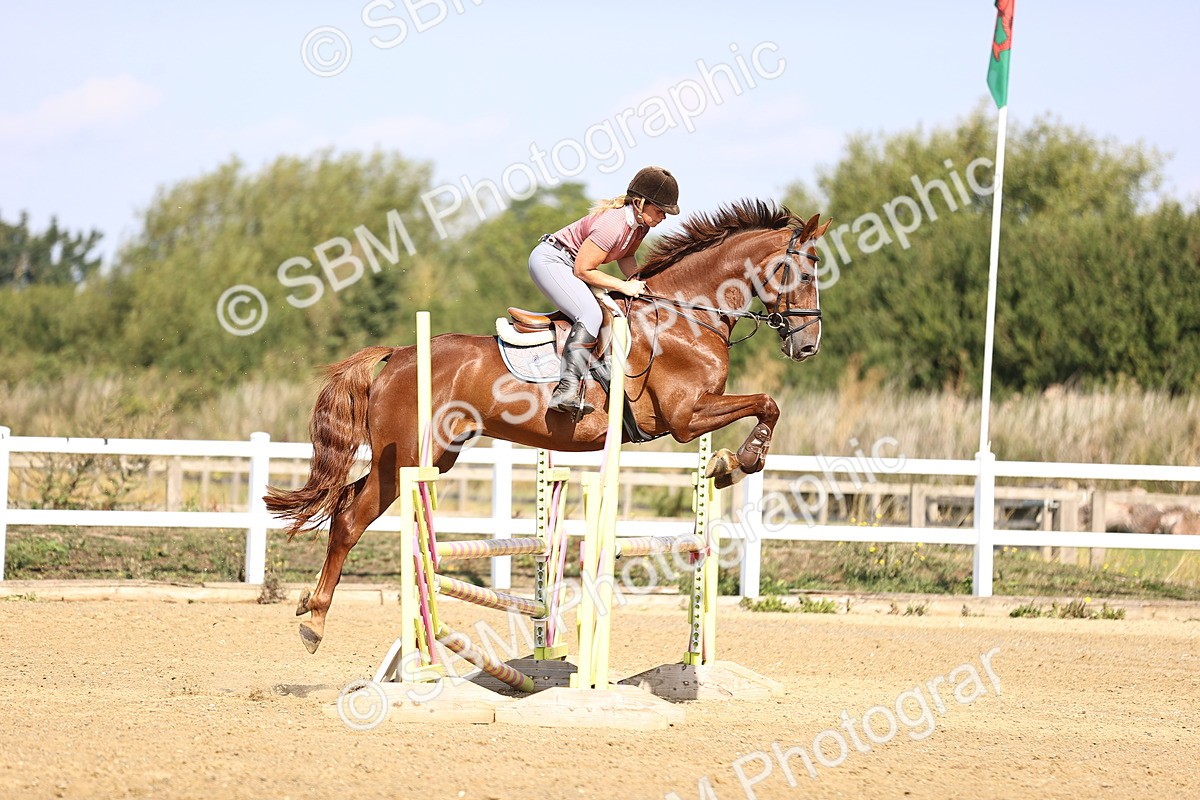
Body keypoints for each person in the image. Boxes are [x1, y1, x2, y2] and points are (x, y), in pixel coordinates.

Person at [528, 166, 680, 415]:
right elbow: (583, 270)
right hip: (552, 261)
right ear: (640, 203)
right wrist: (624, 285)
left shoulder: (641, 226)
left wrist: (642, 284)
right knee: (590, 314)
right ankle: (565, 390)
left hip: (570, 265)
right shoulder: (614, 223)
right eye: (660, 210)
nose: (664, 217)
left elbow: (627, 256)